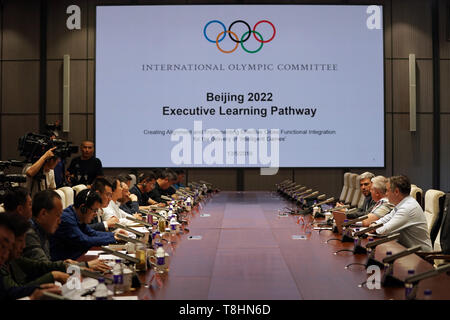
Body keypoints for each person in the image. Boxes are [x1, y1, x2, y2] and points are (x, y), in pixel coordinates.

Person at [22, 190, 110, 273]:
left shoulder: (43, 230)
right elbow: (45, 268)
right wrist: (84, 265)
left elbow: (48, 263)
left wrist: (64, 263)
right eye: (58, 215)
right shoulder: (30, 233)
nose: (60, 221)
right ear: (43, 213)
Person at [50, 189, 127, 261]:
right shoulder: (67, 219)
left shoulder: (76, 215)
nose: (95, 214)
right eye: (94, 210)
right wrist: (114, 238)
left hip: (77, 257)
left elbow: (92, 233)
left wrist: (114, 235)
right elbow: (84, 240)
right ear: (83, 208)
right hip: (65, 263)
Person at [0, 213, 70, 291]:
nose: (23, 246)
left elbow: (37, 266)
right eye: (20, 240)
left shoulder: (14, 259)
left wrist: (65, 266)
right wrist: (53, 276)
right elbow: (14, 292)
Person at [373, 175, 432, 251]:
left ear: (396, 192)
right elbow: (386, 218)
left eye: (387, 190)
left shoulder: (407, 208)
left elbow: (384, 230)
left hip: (421, 256)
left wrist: (374, 228)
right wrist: (375, 224)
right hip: (407, 251)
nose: (386, 194)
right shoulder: (402, 204)